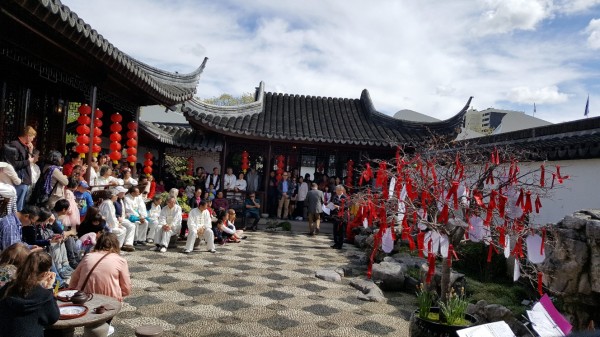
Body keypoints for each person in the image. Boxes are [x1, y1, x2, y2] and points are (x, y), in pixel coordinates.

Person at [70, 233, 131, 336]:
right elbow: (126, 287)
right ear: (116, 244)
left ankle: (93, 331)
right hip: (110, 300)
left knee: (92, 321)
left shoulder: (88, 256)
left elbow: (74, 278)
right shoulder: (120, 260)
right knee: (103, 324)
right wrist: (121, 294)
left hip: (85, 298)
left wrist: (72, 291)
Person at [0, 250, 60, 337]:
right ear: (45, 274)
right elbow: (53, 318)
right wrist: (50, 289)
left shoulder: (7, 288)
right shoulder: (44, 296)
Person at [6, 126, 37, 211]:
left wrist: (30, 151)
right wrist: (28, 161)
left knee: (21, 206)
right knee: (16, 207)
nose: (32, 139)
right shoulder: (14, 145)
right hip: (19, 179)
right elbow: (12, 164)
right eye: (32, 137)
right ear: (27, 135)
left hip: (24, 180)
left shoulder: (25, 147)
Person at [112, 186, 136, 252]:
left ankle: (128, 243)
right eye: (122, 192)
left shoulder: (121, 200)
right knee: (129, 226)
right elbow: (112, 211)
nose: (124, 194)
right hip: (117, 219)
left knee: (132, 225)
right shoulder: (114, 201)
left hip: (122, 218)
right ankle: (123, 245)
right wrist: (117, 217)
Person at [330, 185, 348, 249]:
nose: (336, 191)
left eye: (337, 190)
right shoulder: (334, 196)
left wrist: (339, 207)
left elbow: (347, 206)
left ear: (341, 190)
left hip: (343, 216)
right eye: (336, 190)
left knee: (341, 231)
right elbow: (332, 203)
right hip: (335, 215)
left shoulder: (345, 197)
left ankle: (340, 244)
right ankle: (336, 243)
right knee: (335, 230)